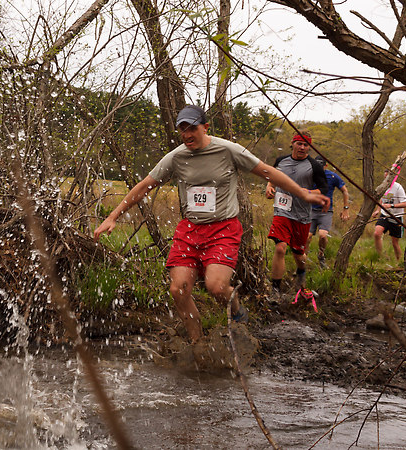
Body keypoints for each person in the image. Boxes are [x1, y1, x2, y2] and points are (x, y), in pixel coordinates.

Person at [93, 106, 329, 343]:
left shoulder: (228, 150)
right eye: (182, 129)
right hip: (190, 229)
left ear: (205, 128)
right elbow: (144, 186)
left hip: (223, 228)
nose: (187, 135)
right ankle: (198, 344)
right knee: (179, 290)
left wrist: (303, 194)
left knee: (216, 286)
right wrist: (113, 216)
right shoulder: (176, 157)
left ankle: (237, 311)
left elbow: (268, 172)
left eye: (192, 129)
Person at [266, 131, 327, 297]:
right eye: (299, 143)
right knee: (280, 248)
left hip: (301, 215)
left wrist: (306, 191)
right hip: (282, 210)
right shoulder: (281, 161)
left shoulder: (314, 166)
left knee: (298, 255)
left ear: (310, 147)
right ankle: (275, 290)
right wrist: (269, 186)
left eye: (306, 145)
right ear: (292, 143)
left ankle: (301, 274)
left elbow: (324, 189)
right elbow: (271, 175)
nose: (302, 147)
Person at [307, 156, 350, 265]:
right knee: (307, 236)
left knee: (323, 235)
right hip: (310, 210)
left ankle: (321, 255)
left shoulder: (332, 176)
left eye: (321, 166)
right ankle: (303, 260)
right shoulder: (308, 175)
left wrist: (345, 209)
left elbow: (345, 191)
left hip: (325, 212)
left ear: (325, 166)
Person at [372, 169, 406, 260]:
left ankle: (399, 262)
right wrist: (378, 210)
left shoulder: (398, 187)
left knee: (394, 242)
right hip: (384, 215)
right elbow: (382, 199)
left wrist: (391, 206)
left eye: (388, 178)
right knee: (377, 233)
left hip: (396, 217)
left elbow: (405, 204)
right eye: (385, 177)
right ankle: (379, 257)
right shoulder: (383, 187)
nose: (386, 179)